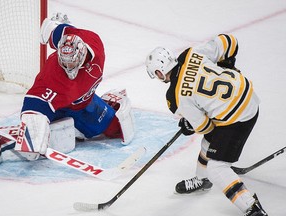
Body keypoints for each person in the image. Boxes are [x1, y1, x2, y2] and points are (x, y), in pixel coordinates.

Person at [145, 34, 268, 216]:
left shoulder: (175, 97)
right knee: (209, 143)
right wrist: (228, 66)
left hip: (239, 117)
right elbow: (229, 41)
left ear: (159, 72)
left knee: (217, 168)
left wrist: (190, 125)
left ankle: (251, 208)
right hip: (247, 93)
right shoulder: (190, 54)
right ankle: (203, 180)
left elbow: (205, 127)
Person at [14, 13, 135, 160]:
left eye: (72, 63)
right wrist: (32, 133)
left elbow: (68, 32)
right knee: (39, 149)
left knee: (115, 128)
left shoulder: (94, 42)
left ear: (82, 53)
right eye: (64, 63)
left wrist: (55, 27)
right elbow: (35, 99)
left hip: (86, 103)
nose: (68, 67)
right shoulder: (54, 73)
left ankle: (79, 127)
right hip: (61, 108)